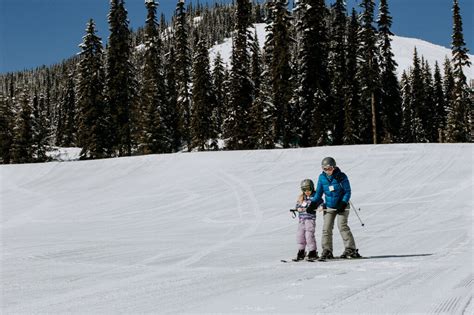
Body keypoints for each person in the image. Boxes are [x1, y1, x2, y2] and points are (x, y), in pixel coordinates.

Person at [310, 157, 361, 260]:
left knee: (342, 225)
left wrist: (343, 203)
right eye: (325, 169)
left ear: (334, 167)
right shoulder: (322, 178)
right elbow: (319, 193)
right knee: (326, 228)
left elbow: (347, 191)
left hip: (342, 205)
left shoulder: (341, 176)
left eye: (329, 168)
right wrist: (313, 204)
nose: (327, 171)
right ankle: (327, 250)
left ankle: (350, 249)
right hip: (329, 206)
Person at [292, 179, 320, 261]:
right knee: (300, 236)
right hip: (301, 220)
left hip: (310, 220)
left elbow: (321, 203)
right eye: (304, 190)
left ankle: (312, 251)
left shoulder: (315, 197)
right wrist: (298, 208)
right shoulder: (301, 197)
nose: (307, 191)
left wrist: (321, 207)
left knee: (309, 236)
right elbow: (297, 206)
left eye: (309, 189)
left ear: (312, 188)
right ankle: (301, 251)